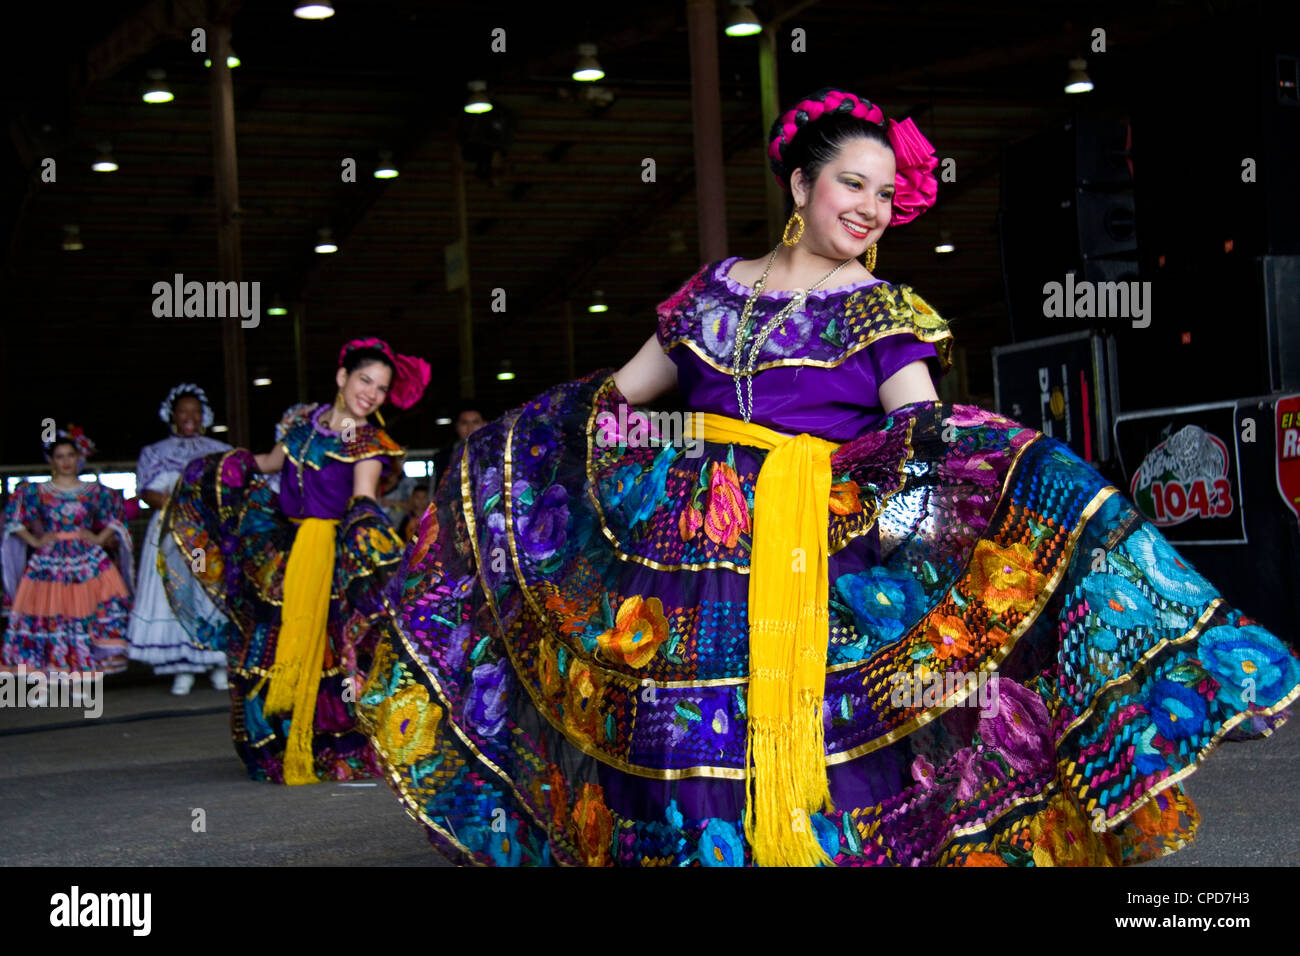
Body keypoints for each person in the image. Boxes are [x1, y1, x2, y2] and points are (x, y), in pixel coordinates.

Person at [356, 88, 1300, 866]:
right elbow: (619, 400)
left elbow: (924, 433)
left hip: (820, 556)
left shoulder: (879, 309)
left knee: (836, 748)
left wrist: (933, 521)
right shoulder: (710, 295)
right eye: (853, 182)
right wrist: (520, 459)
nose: (872, 207)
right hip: (691, 556)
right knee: (681, 742)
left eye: (887, 194)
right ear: (802, 184)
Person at [163, 338, 430, 784]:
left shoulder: (370, 443)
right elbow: (269, 463)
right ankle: (281, 743)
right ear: (343, 377)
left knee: (325, 651)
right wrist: (222, 468)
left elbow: (363, 501)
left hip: (326, 556)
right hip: (284, 551)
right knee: (269, 646)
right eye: (366, 380)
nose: (372, 393)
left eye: (382, 389)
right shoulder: (302, 426)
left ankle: (329, 749)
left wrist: (379, 551)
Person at [3, 426, 133, 689]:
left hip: (88, 561)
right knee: (52, 614)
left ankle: (83, 677)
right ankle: (49, 678)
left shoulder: (95, 490)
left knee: (86, 613)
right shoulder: (37, 491)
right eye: (59, 456)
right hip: (49, 562)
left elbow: (118, 515)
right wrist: (36, 541)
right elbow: (13, 520)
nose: (65, 461)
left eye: (70, 455)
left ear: (79, 458)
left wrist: (98, 537)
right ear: (51, 460)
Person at [126, 384, 231, 694]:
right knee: (176, 593)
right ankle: (182, 669)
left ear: (204, 417)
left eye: (195, 412)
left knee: (212, 592)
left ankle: (217, 663)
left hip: (208, 531)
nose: (190, 417)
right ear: (172, 415)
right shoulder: (155, 452)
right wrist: (180, 507)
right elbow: (146, 492)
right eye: (184, 412)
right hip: (172, 530)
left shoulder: (220, 449)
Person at [431, 399, 487, 488]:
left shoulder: (497, 454)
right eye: (464, 423)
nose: (470, 428)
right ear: (457, 426)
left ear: (485, 424)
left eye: (475, 422)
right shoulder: (443, 457)